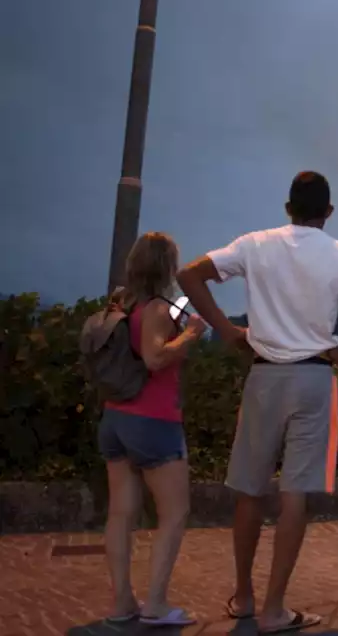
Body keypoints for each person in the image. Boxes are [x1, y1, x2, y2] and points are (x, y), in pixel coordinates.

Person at [177, 171, 338, 633]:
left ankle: (244, 597)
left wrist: (227, 329)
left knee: (250, 489)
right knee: (295, 492)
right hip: (316, 377)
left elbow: (189, 274)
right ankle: (276, 609)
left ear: (287, 207)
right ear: (329, 212)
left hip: (264, 374)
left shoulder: (256, 244)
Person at [99, 233, 207, 627]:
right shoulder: (159, 309)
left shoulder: (122, 304)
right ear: (167, 267)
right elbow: (155, 358)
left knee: (120, 513)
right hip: (154, 421)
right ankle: (157, 605)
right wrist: (192, 334)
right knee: (175, 513)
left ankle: (121, 604)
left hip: (115, 417)